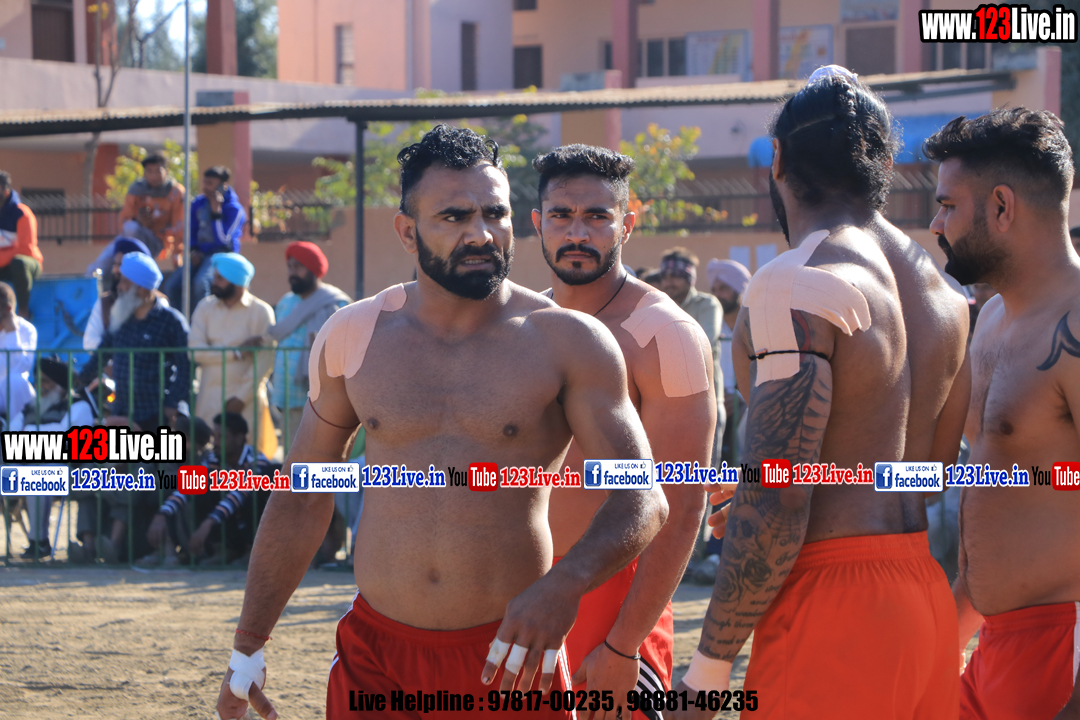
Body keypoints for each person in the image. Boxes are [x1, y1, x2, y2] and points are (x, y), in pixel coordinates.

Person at [215, 125, 668, 720]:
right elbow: (301, 496)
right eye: (453, 216)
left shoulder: (569, 341)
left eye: (495, 213)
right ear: (407, 231)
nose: (480, 233)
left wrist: (564, 586)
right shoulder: (355, 335)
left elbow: (643, 498)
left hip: (509, 658)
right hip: (374, 658)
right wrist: (247, 646)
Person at [673, 66, 969, 719]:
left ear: (777, 159)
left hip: (833, 604)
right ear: (883, 165)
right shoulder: (947, 299)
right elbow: (933, 473)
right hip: (922, 593)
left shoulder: (795, 281)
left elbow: (780, 496)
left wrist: (707, 670)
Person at [533, 144, 713, 718]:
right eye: (561, 215)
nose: (577, 232)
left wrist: (623, 644)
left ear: (627, 224)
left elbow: (683, 503)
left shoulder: (665, 334)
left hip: (613, 601)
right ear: (537, 223)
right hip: (520, 592)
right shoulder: (522, 324)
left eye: (597, 216)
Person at [923, 108, 1080, 720]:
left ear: (1002, 207)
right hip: (991, 644)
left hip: (1061, 653)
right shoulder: (989, 318)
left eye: (947, 205)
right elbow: (1000, 495)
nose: (936, 224)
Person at [91, 252, 190, 563]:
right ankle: (96, 543)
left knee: (149, 476)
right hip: (122, 414)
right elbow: (101, 354)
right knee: (102, 472)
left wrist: (172, 404)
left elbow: (184, 367)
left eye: (124, 281)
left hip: (156, 418)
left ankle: (128, 544)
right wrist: (76, 379)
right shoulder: (120, 314)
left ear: (141, 287)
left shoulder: (171, 321)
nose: (118, 286)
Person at [189, 253, 277, 463]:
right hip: (209, 400)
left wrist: (240, 398)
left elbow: (265, 361)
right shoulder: (204, 308)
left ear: (237, 282)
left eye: (220, 278)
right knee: (207, 461)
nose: (214, 282)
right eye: (214, 277)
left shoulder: (261, 312)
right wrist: (236, 352)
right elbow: (194, 352)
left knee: (248, 462)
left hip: (246, 402)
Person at [269, 241, 350, 449]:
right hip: (288, 397)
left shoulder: (336, 304)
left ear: (313, 269)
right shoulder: (286, 302)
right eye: (290, 267)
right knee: (291, 456)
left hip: (321, 400)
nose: (292, 272)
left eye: (298, 267)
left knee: (320, 456)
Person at [13, 357, 97, 559]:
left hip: (69, 471)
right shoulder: (30, 408)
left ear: (61, 385)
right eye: (37, 381)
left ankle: (39, 542)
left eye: (46, 381)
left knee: (38, 471)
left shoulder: (78, 406)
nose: (40, 386)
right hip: (27, 467)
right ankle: (38, 542)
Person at [659, 247, 725, 469]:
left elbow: (701, 342)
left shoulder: (707, 305)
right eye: (665, 277)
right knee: (666, 475)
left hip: (704, 402)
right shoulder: (656, 306)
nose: (669, 282)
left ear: (689, 279)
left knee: (704, 475)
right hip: (664, 404)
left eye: (675, 277)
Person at [162, 166, 247, 314]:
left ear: (222, 186)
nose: (205, 187)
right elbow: (191, 231)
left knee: (201, 283)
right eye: (205, 182)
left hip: (221, 255)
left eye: (210, 184)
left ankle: (206, 318)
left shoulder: (234, 209)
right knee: (171, 285)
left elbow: (223, 240)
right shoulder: (198, 203)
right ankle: (180, 321)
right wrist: (193, 250)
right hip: (200, 254)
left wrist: (216, 213)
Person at [82, 237, 153, 351]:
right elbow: (90, 342)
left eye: (121, 265)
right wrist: (119, 354)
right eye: (115, 264)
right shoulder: (105, 303)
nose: (115, 270)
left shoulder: (157, 304)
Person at [117, 153, 185, 262]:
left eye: (158, 171)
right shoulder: (137, 191)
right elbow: (125, 220)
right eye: (149, 171)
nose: (153, 176)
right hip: (137, 236)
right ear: (144, 173)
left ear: (166, 172)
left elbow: (179, 225)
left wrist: (177, 253)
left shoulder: (175, 192)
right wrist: (139, 220)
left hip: (161, 242)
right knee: (116, 246)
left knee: (128, 234)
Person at [0, 171, 43, 315]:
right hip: (4, 267)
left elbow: (26, 249)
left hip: (28, 265)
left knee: (19, 263)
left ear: (5, 191)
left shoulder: (22, 213)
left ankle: (23, 311)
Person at [0, 281, 36, 419]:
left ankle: (17, 430)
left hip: (13, 396)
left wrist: (12, 333)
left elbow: (19, 368)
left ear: (7, 309)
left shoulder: (26, 330)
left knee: (14, 381)